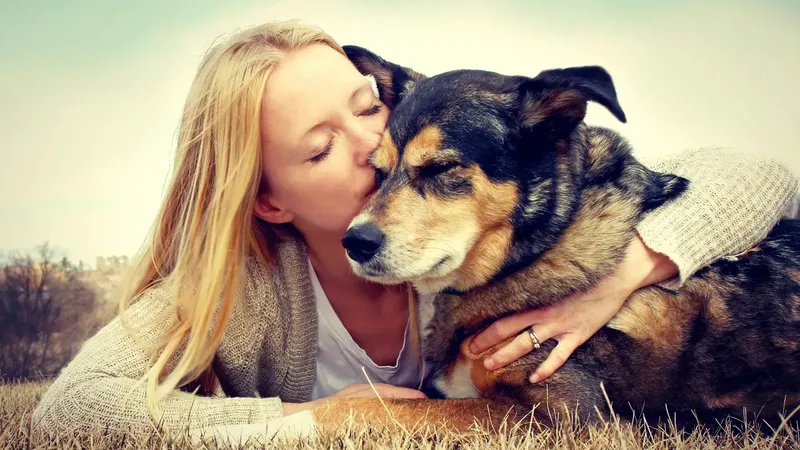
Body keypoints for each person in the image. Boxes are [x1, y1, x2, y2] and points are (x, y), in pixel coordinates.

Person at [32, 20, 798, 436]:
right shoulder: (249, 288)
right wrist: (314, 420)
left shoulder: (477, 237)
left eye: (367, 107)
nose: (373, 145)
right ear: (270, 200)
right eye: (321, 146)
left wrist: (628, 274)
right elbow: (71, 411)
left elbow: (758, 178)